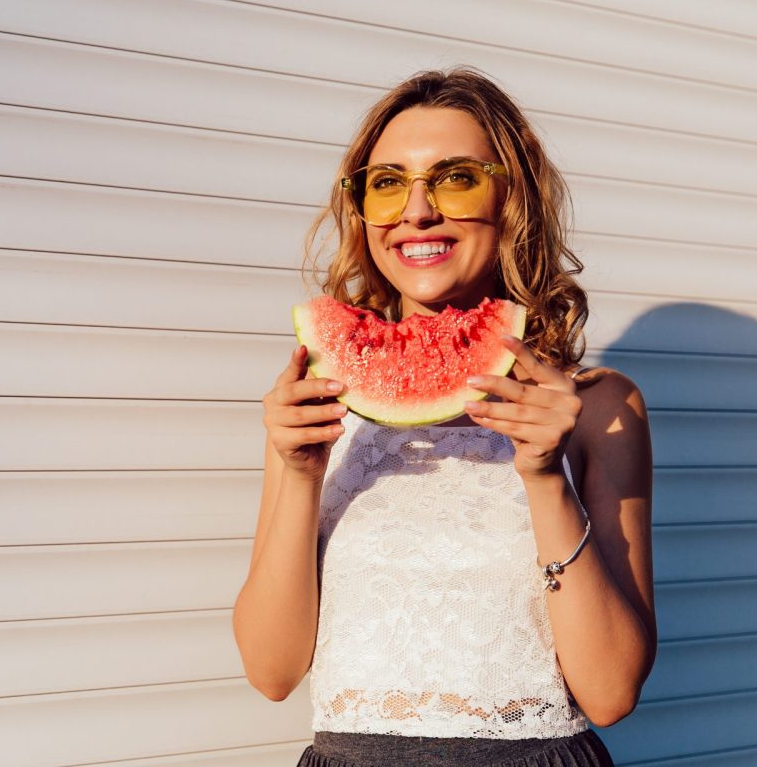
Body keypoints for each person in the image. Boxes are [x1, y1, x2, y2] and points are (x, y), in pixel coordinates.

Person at [233, 68, 656, 767]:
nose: (417, 211)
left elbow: (610, 692)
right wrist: (299, 473)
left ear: (511, 198)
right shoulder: (320, 392)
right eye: (388, 182)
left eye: (456, 178)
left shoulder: (598, 406)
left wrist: (545, 478)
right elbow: (272, 672)